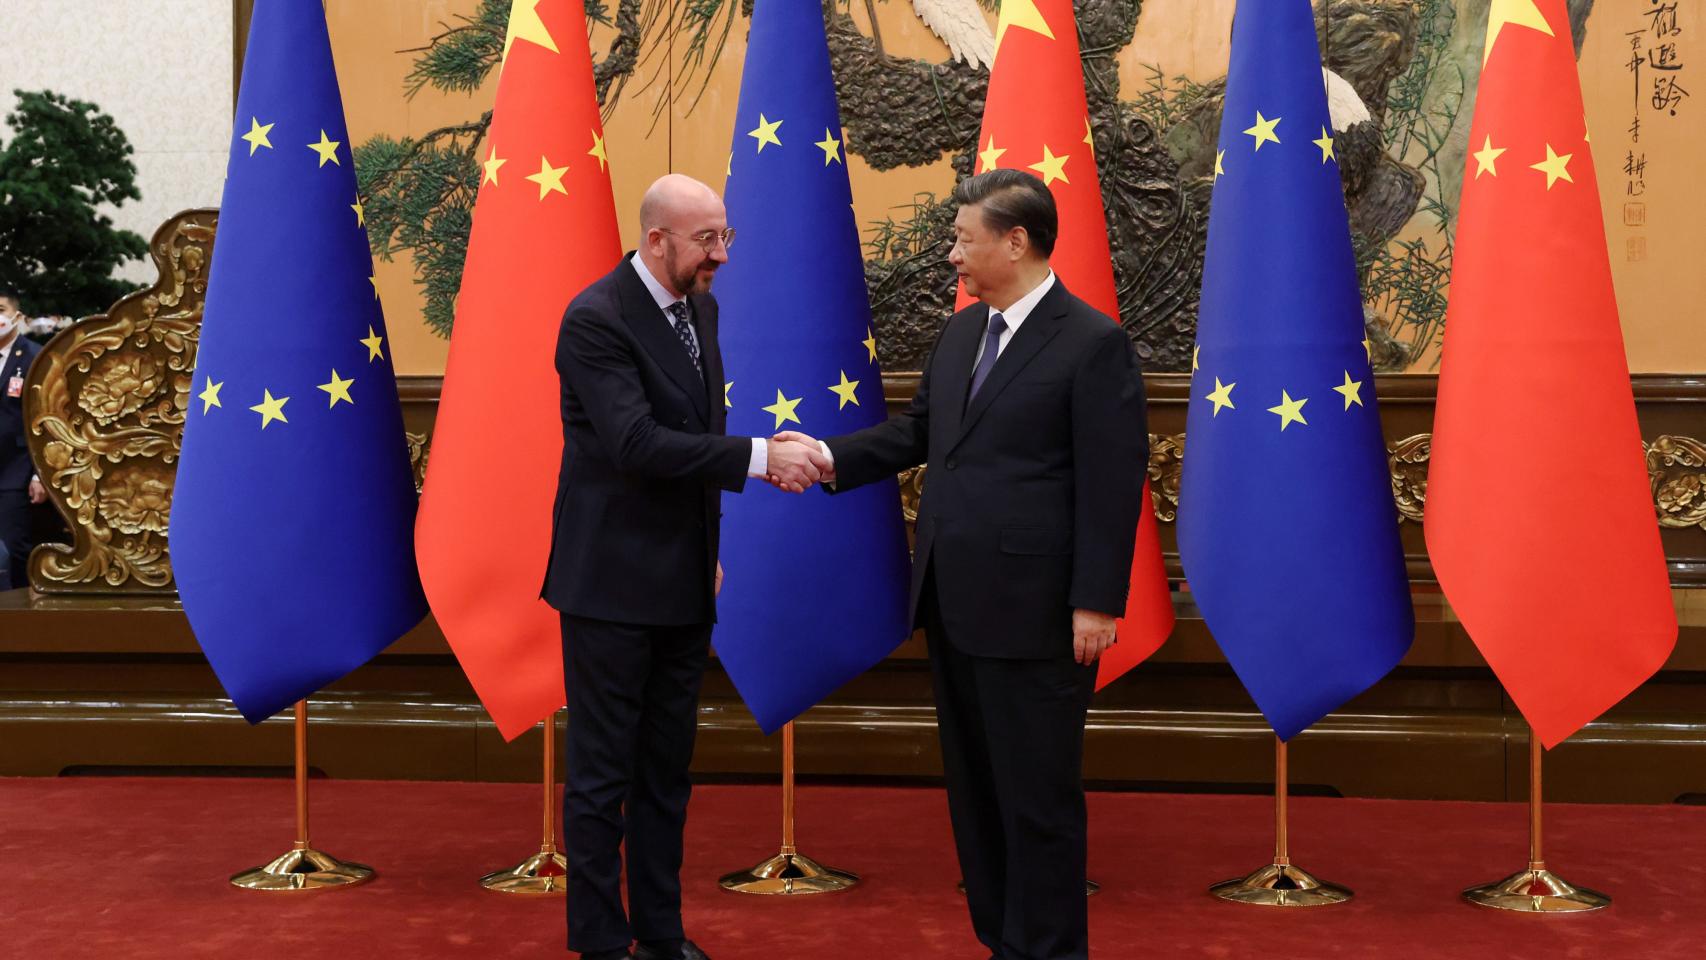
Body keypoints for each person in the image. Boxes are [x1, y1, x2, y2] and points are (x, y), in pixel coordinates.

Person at [776, 170, 1149, 960]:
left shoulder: (1092, 343)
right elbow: (917, 434)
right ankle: (1000, 940)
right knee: (976, 796)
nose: (952, 255)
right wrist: (825, 455)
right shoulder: (960, 335)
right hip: (952, 602)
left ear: (1016, 242)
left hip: (1041, 612)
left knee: (1037, 799)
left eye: (963, 239)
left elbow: (1113, 483)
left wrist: (1096, 601)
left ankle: (1047, 949)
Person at [540, 174, 829, 960]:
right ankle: (601, 943)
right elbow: (636, 446)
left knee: (668, 771)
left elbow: (694, 449)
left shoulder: (699, 306)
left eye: (725, 237)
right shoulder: (595, 319)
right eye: (707, 240)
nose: (722, 255)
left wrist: (710, 553)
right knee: (603, 778)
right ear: (657, 239)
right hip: (608, 585)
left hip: (682, 579)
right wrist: (764, 457)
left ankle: (661, 935)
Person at [0, 291, 46, 590]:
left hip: (15, 470)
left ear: (16, 316)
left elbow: (43, 418)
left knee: (13, 547)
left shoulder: (34, 356)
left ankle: (17, 616)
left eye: (0, 309)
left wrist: (39, 474)